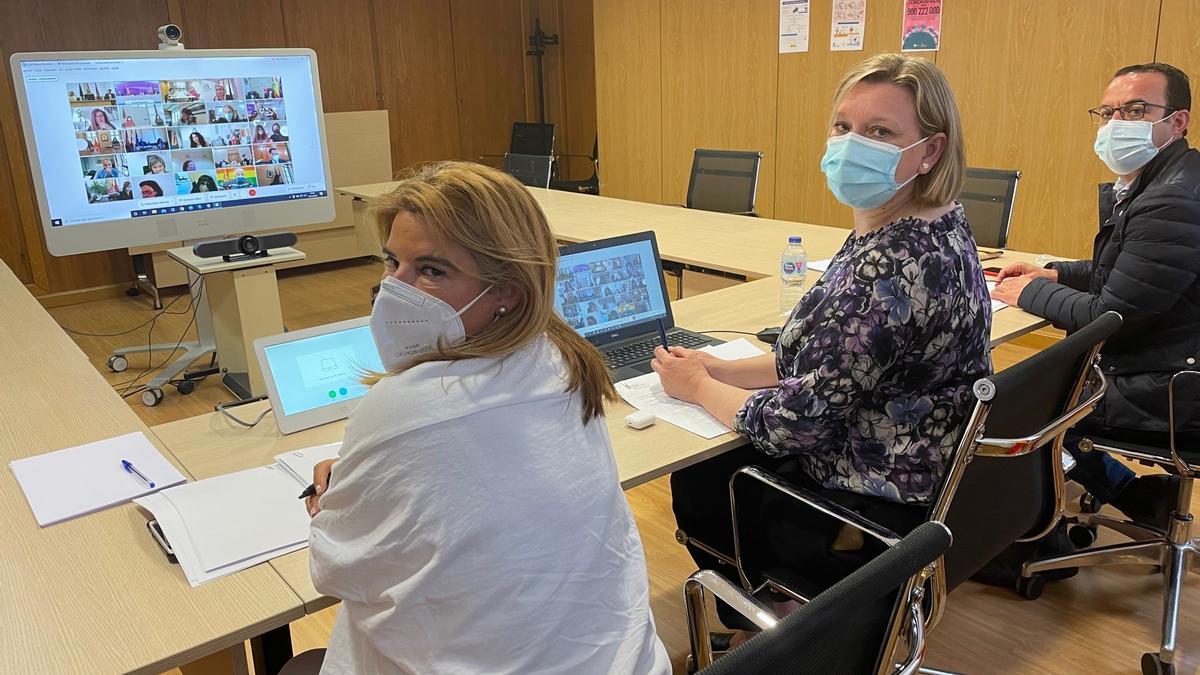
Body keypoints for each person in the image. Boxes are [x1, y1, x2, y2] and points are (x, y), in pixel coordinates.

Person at [291, 162, 669, 674]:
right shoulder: (560, 358)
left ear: (507, 289)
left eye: (431, 270)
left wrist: (330, 498)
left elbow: (334, 570)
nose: (394, 291)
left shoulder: (401, 407)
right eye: (392, 263)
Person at [659, 53, 990, 636]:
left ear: (930, 151)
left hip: (869, 502)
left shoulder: (887, 267)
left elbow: (791, 426)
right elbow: (830, 356)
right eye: (843, 126)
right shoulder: (931, 223)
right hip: (918, 468)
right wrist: (721, 368)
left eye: (880, 132)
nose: (850, 144)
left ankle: (772, 628)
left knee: (700, 479)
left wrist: (697, 385)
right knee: (719, 442)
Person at [992, 62, 1200, 526]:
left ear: (1178, 120)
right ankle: (1134, 495)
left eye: (1135, 110)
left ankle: (1034, 523)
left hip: (1171, 388)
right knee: (1026, 387)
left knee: (1012, 405)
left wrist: (1027, 294)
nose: (1115, 125)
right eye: (1107, 113)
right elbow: (1131, 272)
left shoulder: (1174, 199)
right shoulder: (1168, 180)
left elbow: (1112, 314)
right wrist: (1055, 275)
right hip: (1170, 362)